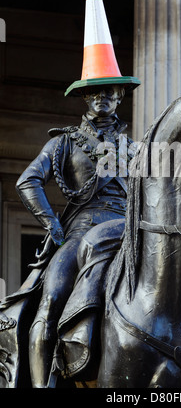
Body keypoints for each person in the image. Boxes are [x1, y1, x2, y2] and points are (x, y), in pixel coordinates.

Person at [15, 85, 135, 387]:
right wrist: (52, 223)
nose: (101, 97)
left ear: (120, 96)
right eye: (94, 92)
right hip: (81, 230)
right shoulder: (64, 142)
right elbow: (27, 180)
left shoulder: (136, 149)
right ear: (84, 98)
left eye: (109, 92)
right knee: (52, 297)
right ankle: (43, 385)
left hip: (129, 232)